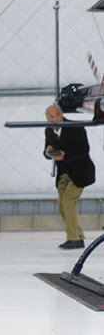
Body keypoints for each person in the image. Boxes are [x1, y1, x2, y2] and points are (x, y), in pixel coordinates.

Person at [44, 103, 96, 250]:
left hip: (80, 171)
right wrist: (48, 152)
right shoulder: (49, 130)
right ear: (47, 118)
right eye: (51, 117)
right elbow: (47, 150)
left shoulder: (75, 127)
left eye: (57, 115)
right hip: (64, 172)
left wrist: (65, 155)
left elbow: (84, 150)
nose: (55, 119)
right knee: (61, 205)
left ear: (62, 115)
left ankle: (73, 239)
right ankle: (78, 237)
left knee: (68, 201)